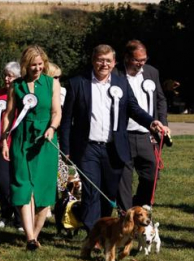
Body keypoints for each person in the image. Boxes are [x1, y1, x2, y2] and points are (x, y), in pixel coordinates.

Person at [59, 44, 168, 232]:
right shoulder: (77, 83)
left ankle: (102, 228)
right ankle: (93, 233)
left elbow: (133, 108)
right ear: (93, 61)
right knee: (92, 190)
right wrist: (66, 148)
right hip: (88, 148)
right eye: (100, 60)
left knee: (108, 192)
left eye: (108, 61)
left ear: (114, 62)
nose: (104, 64)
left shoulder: (121, 83)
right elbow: (67, 119)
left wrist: (151, 122)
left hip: (114, 149)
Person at [2, 46, 61, 251]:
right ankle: (29, 237)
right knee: (22, 187)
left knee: (44, 191)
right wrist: (4, 140)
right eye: (32, 65)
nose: (37, 68)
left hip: (45, 141)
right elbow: (9, 114)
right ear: (25, 65)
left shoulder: (52, 83)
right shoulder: (16, 86)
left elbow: (56, 112)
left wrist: (52, 128)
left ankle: (34, 237)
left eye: (40, 64)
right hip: (21, 140)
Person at [116, 40, 168, 211]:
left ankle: (139, 205)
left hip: (147, 134)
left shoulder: (152, 72)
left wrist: (163, 124)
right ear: (126, 58)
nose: (141, 64)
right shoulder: (116, 74)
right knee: (124, 177)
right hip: (123, 134)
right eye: (137, 60)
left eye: (144, 59)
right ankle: (125, 213)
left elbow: (160, 99)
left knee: (152, 173)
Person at [0, 61, 20, 229]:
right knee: (1, 181)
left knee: (18, 181)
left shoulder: (25, 96)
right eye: (5, 75)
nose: (6, 78)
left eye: (10, 75)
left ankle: (19, 217)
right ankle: (5, 211)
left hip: (19, 145)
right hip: (1, 145)